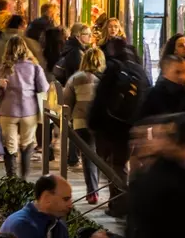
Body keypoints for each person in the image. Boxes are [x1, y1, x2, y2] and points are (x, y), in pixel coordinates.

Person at [88, 36, 149, 194]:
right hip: (134, 124)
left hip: (113, 126)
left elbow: (101, 96)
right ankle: (129, 197)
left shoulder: (113, 66)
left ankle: (119, 200)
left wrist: (93, 122)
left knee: (115, 164)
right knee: (126, 163)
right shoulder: (139, 69)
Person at [0, 34, 48, 179]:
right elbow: (43, 87)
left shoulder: (3, 68)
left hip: (7, 111)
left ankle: (11, 179)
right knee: (27, 143)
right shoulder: (34, 67)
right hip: (29, 111)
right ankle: (24, 177)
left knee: (9, 146)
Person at [62, 45, 105, 203]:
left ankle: (92, 192)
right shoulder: (104, 79)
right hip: (100, 123)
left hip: (80, 122)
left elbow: (67, 102)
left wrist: (67, 121)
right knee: (99, 156)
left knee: (88, 157)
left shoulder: (76, 78)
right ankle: (99, 189)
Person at [27, 3, 63, 78]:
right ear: (50, 14)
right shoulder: (50, 28)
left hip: (31, 61)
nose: (59, 17)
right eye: (57, 14)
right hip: (44, 64)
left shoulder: (32, 25)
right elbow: (52, 51)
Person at [54, 23, 92, 87]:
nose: (90, 36)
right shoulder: (75, 52)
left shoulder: (71, 47)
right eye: (87, 34)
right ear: (77, 36)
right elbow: (76, 75)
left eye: (90, 34)